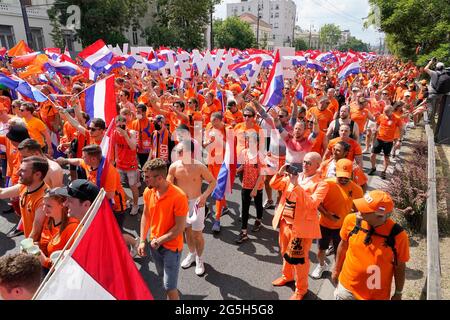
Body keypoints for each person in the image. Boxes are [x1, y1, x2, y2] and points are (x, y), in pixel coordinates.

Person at [270, 152, 328, 300]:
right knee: (284, 252)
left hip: (301, 228)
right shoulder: (295, 176)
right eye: (304, 161)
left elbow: (312, 204)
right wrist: (280, 173)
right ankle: (287, 276)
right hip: (285, 222)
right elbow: (274, 185)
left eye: (309, 163)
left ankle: (301, 290)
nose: (305, 165)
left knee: (299, 260)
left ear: (317, 165)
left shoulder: (321, 183)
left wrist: (296, 185)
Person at [332, 190, 410, 300]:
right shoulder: (351, 220)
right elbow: (343, 245)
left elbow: (400, 266)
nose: (358, 210)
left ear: (379, 215)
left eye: (364, 208)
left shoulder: (398, 236)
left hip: (375, 295)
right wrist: (336, 270)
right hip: (347, 289)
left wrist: (398, 292)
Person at [138, 158, 188, 300]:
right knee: (163, 279)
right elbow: (146, 216)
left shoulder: (179, 197)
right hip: (155, 246)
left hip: (171, 249)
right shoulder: (149, 192)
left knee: (169, 287)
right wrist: (142, 240)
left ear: (159, 178)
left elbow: (179, 228)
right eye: (144, 176)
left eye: (147, 177)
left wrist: (159, 240)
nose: (144, 180)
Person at [168, 141, 216, 276]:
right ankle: (192, 253)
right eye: (177, 152)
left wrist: (204, 196)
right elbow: (169, 186)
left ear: (190, 153)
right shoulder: (174, 167)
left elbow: (213, 182)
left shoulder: (199, 167)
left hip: (196, 204)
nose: (177, 154)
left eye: (180, 152)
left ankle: (200, 259)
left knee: (197, 234)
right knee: (186, 232)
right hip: (181, 204)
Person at [311, 159, 363, 279]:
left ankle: (337, 270)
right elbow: (316, 203)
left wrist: (356, 225)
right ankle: (321, 265)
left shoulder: (357, 190)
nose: (344, 179)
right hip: (324, 224)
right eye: (341, 177)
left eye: (347, 177)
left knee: (340, 253)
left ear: (351, 175)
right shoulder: (326, 183)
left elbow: (359, 210)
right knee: (320, 250)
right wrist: (327, 214)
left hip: (343, 228)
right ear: (335, 172)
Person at [0, 156, 49, 241]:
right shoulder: (25, 186)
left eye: (23, 171)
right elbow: (2, 193)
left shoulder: (43, 200)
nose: (18, 173)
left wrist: (26, 248)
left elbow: (35, 233)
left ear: (37, 174)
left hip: (36, 246)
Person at [37, 188, 80, 269]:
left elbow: (71, 264)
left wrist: (46, 262)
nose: (44, 209)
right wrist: (37, 246)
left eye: (48, 206)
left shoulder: (72, 228)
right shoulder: (49, 218)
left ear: (62, 205)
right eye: (43, 204)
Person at [235, 131, 266, 244]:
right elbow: (243, 166)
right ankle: (244, 232)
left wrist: (255, 189)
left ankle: (258, 220)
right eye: (248, 141)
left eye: (252, 141)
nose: (250, 143)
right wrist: (235, 171)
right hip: (245, 184)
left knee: (258, 205)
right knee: (245, 208)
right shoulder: (244, 152)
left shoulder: (260, 156)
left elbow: (262, 174)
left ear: (257, 142)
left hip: (257, 186)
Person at [111, 115, 140, 216]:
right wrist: (114, 160)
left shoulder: (131, 133)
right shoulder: (115, 133)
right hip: (119, 165)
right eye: (118, 126)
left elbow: (133, 147)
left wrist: (125, 135)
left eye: (122, 126)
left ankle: (136, 205)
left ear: (125, 125)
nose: (120, 129)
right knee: (118, 185)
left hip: (131, 165)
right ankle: (128, 200)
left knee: (133, 186)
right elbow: (115, 146)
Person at [368, 106, 403, 179]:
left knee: (386, 158)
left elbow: (401, 129)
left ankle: (384, 171)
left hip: (389, 141)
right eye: (384, 111)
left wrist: (399, 140)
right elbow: (377, 123)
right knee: (372, 155)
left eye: (387, 111)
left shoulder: (397, 118)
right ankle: (373, 168)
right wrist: (375, 128)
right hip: (379, 139)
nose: (385, 113)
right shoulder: (381, 116)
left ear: (391, 111)